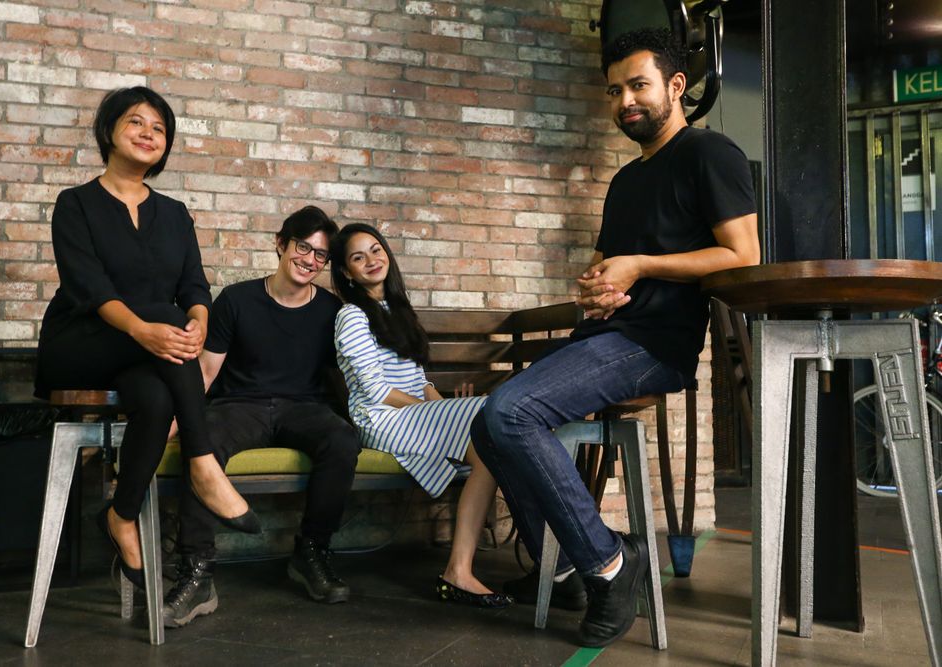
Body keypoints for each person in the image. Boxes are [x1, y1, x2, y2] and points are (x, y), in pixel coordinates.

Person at [470, 27, 761, 648]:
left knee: (510, 412)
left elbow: (742, 255)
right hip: (604, 334)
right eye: (614, 90)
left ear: (675, 86)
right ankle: (572, 566)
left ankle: (610, 563)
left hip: (655, 346)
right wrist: (595, 286)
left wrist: (641, 265)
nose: (624, 100)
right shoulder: (626, 180)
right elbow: (608, 262)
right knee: (485, 422)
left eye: (638, 85)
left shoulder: (711, 155)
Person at [35, 87, 260, 592]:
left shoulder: (175, 213)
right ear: (109, 130)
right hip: (82, 343)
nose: (148, 134)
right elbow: (88, 289)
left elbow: (195, 287)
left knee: (157, 398)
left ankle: (120, 514)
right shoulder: (76, 204)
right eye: (136, 122)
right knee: (163, 313)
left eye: (159, 128)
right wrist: (146, 327)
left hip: (150, 351)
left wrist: (199, 320)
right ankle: (203, 463)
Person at [163, 206, 362, 628]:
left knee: (342, 439)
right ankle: (197, 572)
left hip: (304, 408)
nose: (310, 260)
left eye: (320, 255)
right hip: (241, 406)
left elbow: (355, 371)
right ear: (280, 244)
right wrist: (175, 421)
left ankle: (311, 553)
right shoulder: (237, 299)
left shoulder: (332, 310)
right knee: (205, 439)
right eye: (302, 247)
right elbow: (205, 371)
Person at [329, 223, 513, 608]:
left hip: (410, 415)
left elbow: (419, 380)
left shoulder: (398, 311)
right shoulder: (351, 316)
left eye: (376, 250)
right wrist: (441, 411)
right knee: (489, 412)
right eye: (358, 257)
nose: (371, 260)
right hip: (379, 420)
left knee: (490, 453)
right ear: (347, 272)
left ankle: (458, 572)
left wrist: (441, 403)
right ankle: (480, 569)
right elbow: (376, 392)